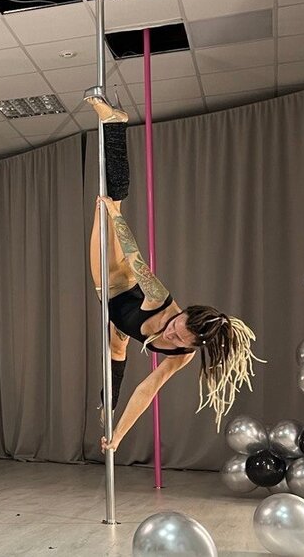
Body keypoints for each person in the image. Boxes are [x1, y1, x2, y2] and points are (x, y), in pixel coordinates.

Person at [85, 97, 263, 453]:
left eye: (179, 336)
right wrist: (116, 217)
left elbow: (148, 389)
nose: (171, 333)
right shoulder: (159, 299)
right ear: (182, 313)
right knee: (107, 204)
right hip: (118, 281)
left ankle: (108, 405)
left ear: (193, 346)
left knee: (117, 347)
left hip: (117, 316)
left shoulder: (182, 355)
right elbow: (134, 256)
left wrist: (118, 437)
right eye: (177, 325)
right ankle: (115, 123)